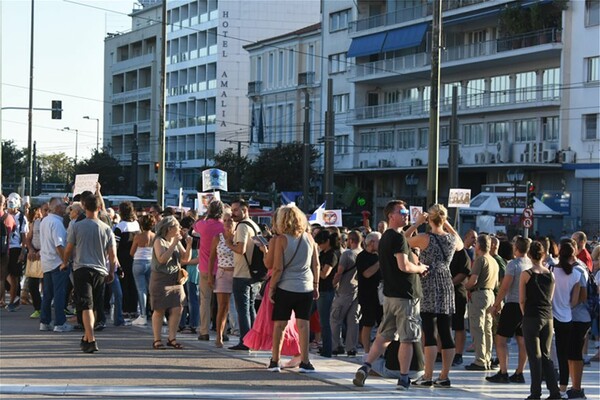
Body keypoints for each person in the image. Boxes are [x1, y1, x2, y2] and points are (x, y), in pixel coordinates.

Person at [353, 200, 428, 391]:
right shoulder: (397, 238)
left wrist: (417, 224)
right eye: (401, 211)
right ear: (390, 216)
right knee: (407, 338)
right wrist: (420, 268)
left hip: (390, 295)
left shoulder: (386, 236)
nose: (405, 214)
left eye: (405, 211)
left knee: (384, 336)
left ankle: (365, 366)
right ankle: (404, 378)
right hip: (406, 295)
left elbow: (403, 237)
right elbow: (404, 266)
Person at [406, 204, 463, 387]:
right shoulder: (452, 240)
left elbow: (402, 240)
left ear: (429, 219)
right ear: (444, 219)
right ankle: (444, 375)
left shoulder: (424, 238)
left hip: (429, 281)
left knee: (429, 331)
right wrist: (447, 225)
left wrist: (416, 224)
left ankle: (428, 375)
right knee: (446, 331)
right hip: (446, 282)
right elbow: (461, 244)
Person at [268, 205, 320, 373]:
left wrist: (272, 288)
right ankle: (305, 361)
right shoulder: (309, 238)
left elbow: (277, 268)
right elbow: (316, 264)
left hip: (286, 286)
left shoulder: (281, 239)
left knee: (280, 325)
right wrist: (316, 285)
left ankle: (275, 360)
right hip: (306, 286)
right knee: (303, 325)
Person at [63, 195, 118, 353]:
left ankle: (91, 338)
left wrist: (65, 262)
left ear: (84, 208)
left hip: (81, 268)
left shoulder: (76, 226)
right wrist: (111, 271)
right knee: (93, 305)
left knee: (86, 304)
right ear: (99, 208)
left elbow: (68, 248)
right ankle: (87, 338)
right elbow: (112, 255)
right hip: (100, 270)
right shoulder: (107, 228)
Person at [520, 241, 563, 400]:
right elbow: (550, 298)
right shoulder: (550, 274)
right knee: (546, 356)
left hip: (531, 316)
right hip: (547, 317)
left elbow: (522, 299)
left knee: (534, 356)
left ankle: (535, 393)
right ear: (544, 254)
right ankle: (554, 392)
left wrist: (525, 315)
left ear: (529, 255)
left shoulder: (526, 274)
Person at [486, 236, 531, 384]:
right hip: (526, 306)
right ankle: (519, 372)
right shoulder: (530, 264)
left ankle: (503, 371)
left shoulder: (513, 265)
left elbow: (505, 286)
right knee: (522, 340)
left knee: (501, 339)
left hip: (512, 304)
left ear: (516, 248)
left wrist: (496, 304)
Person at [150, 215, 192, 350]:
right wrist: (173, 244)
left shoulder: (176, 240)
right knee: (159, 309)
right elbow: (162, 259)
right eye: (177, 226)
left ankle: (172, 338)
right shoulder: (159, 241)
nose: (180, 228)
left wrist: (189, 245)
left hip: (175, 277)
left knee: (178, 307)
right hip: (161, 278)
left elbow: (185, 258)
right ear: (169, 228)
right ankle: (157, 339)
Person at [226, 199, 262, 351]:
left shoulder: (242, 227)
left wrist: (228, 242)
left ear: (245, 210)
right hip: (254, 273)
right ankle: (253, 339)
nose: (233, 214)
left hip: (242, 273)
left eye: (235, 210)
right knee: (251, 308)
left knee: (243, 309)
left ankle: (245, 341)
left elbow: (240, 249)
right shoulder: (255, 225)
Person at [552, 239, 582, 397]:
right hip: (567, 317)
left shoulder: (550, 270)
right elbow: (574, 301)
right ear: (573, 254)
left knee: (549, 354)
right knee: (564, 355)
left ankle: (550, 387)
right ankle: (562, 389)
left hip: (550, 317)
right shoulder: (576, 274)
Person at [464, 234, 499, 370]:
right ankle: (487, 358)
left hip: (479, 294)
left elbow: (473, 280)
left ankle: (479, 360)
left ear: (478, 245)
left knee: (477, 328)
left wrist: (466, 286)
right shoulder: (493, 261)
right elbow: (496, 283)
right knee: (487, 328)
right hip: (490, 294)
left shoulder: (480, 260)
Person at [192, 200, 224, 341]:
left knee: (204, 300)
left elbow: (194, 225)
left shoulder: (202, 225)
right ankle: (221, 331)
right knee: (222, 302)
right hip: (222, 268)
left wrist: (205, 214)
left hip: (205, 268)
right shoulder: (223, 227)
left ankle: (204, 331)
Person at [39, 197, 72, 332]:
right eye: (63, 205)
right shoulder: (57, 223)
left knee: (47, 294)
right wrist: (65, 261)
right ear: (57, 208)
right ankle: (60, 322)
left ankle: (45, 321)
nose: (65, 208)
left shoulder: (45, 221)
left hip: (47, 261)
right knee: (59, 293)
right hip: (57, 262)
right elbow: (59, 245)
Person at [330, 230, 363, 356]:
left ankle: (336, 345)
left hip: (344, 289)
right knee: (353, 320)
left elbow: (339, 272)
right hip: (358, 290)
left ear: (350, 240)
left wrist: (333, 283)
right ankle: (352, 347)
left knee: (335, 318)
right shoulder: (362, 253)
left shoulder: (347, 254)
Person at [208, 205, 234, 348]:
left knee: (239, 307)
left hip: (237, 273)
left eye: (230, 220)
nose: (228, 223)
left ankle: (241, 334)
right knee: (222, 306)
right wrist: (211, 276)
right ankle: (219, 335)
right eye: (225, 220)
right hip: (222, 273)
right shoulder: (218, 238)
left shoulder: (239, 237)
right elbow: (212, 258)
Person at [314, 229, 341, 358]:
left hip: (326, 290)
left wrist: (316, 267)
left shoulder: (332, 255)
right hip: (320, 290)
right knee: (320, 320)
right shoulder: (323, 253)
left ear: (327, 242)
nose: (319, 245)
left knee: (325, 321)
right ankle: (325, 346)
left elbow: (325, 274)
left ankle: (327, 349)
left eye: (320, 243)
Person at [356, 231, 382, 354]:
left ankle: (379, 350)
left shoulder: (379, 255)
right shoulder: (362, 257)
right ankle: (367, 351)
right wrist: (379, 263)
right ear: (371, 242)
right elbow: (366, 273)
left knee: (382, 324)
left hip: (381, 296)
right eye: (379, 241)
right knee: (368, 323)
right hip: (367, 295)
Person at [113, 201, 140, 318]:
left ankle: (125, 309)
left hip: (123, 258)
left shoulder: (120, 227)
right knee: (134, 284)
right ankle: (134, 309)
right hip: (135, 257)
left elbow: (115, 245)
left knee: (124, 284)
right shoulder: (137, 225)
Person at [129, 214, 156, 326]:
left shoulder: (138, 237)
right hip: (151, 262)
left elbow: (131, 252)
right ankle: (157, 313)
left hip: (139, 262)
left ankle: (143, 315)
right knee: (152, 290)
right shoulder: (155, 236)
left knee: (141, 290)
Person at [5, 193, 29, 311]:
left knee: (15, 276)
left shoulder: (21, 217)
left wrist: (23, 252)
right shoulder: (4, 215)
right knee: (6, 275)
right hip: (5, 248)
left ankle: (14, 300)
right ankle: (9, 298)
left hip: (16, 248)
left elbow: (24, 236)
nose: (11, 209)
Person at [25, 203, 49, 318]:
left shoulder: (52, 223)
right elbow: (28, 239)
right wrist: (30, 249)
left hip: (46, 256)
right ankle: (38, 308)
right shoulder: (35, 223)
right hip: (34, 255)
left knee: (47, 285)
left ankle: (46, 308)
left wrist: (42, 251)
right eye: (45, 210)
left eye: (49, 210)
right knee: (32, 284)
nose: (47, 212)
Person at [449, 246, 470, 366]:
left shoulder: (461, 253)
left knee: (458, 325)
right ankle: (440, 352)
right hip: (442, 292)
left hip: (457, 292)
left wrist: (449, 283)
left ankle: (458, 354)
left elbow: (464, 272)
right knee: (442, 323)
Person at [179, 216, 200, 334]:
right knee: (184, 299)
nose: (182, 231)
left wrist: (185, 261)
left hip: (192, 272)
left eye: (184, 229)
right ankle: (183, 323)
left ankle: (193, 324)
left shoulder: (195, 241)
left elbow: (199, 259)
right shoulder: (183, 240)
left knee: (192, 299)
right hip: (185, 272)